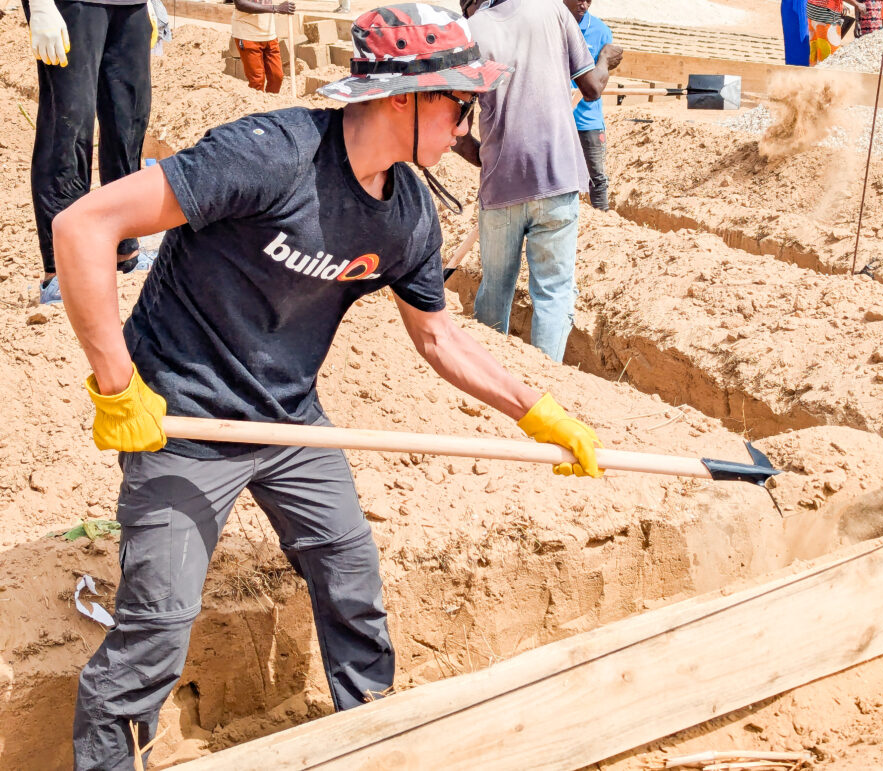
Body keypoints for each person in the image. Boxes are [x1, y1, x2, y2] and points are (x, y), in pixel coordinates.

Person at [54, 5, 603, 768]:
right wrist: (117, 386)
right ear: (402, 99)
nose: (468, 125)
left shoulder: (407, 216)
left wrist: (536, 412)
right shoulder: (268, 154)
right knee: (157, 626)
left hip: (288, 419)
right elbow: (84, 227)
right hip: (177, 411)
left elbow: (438, 335)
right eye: (459, 103)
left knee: (350, 576)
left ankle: (371, 735)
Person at [455, 0, 621, 363]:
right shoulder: (553, 9)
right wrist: (606, 57)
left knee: (496, 287)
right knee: (554, 293)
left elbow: (455, 127)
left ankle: (486, 377)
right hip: (558, 178)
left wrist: (485, 159)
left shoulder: (472, 30)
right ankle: (547, 383)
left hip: (502, 185)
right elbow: (591, 88)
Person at [23, 0, 156, 305]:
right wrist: (41, 5)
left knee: (129, 125)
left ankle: (126, 249)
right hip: (72, 6)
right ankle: (60, 271)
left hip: (130, 6)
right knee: (69, 126)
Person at [562, 0, 620, 211]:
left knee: (596, 178)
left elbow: (599, 81)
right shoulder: (550, 25)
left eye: (589, 0)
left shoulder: (600, 31)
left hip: (588, 120)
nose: (584, 5)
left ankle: (601, 224)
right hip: (556, 119)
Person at [231, 0, 294, 93]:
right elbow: (240, 4)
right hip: (248, 34)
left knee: (277, 77)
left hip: (269, 34)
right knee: (257, 80)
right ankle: (256, 106)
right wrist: (276, 8)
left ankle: (271, 103)